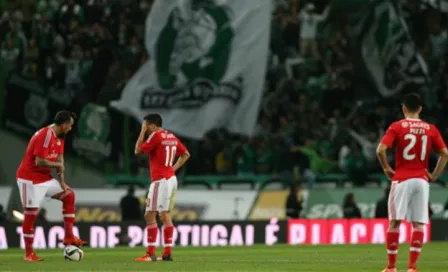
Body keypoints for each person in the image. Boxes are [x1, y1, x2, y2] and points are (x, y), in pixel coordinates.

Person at [376, 93, 448, 272]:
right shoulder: (430, 128)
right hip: (422, 180)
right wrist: (435, 175)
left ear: (403, 109)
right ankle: (412, 267)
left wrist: (386, 168)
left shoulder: (397, 126)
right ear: (420, 108)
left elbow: (380, 150)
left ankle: (392, 267)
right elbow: (445, 153)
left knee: (394, 222)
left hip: (401, 178)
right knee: (419, 223)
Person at [16, 110, 87, 262]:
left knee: (69, 195)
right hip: (29, 179)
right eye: (70, 125)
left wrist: (62, 183)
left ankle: (69, 237)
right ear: (64, 124)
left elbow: (60, 160)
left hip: (44, 178)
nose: (71, 128)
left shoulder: (61, 137)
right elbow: (39, 161)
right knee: (31, 215)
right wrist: (57, 164)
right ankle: (29, 254)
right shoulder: (45, 135)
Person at [134, 113, 190, 262]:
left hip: (160, 180)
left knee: (156, 215)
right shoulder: (171, 136)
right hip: (171, 179)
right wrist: (173, 169)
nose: (145, 129)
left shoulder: (156, 136)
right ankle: (166, 253)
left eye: (146, 126)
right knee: (160, 215)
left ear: (152, 125)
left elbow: (137, 151)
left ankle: (152, 253)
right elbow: (186, 154)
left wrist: (141, 133)